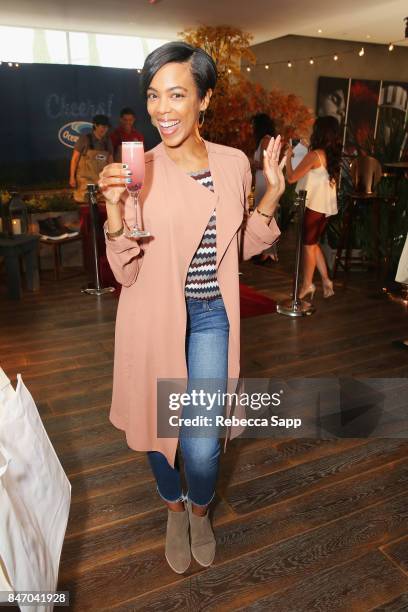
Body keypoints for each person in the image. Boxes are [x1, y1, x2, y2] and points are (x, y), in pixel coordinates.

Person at [97, 41, 285, 574]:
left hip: (209, 316)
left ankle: (199, 509)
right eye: (154, 95)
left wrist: (271, 192)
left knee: (202, 446)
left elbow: (242, 245)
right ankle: (173, 509)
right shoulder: (140, 170)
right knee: (159, 434)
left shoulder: (231, 165)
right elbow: (126, 270)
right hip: (153, 318)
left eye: (176, 94)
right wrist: (114, 212)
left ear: (204, 99)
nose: (161, 109)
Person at [285, 116, 342, 300]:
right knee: (314, 244)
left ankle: (307, 285)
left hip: (314, 208)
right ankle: (326, 281)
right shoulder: (330, 155)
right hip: (324, 210)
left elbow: (292, 178)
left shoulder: (314, 155)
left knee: (308, 246)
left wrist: (288, 157)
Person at [251, 113, 279, 264]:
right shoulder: (266, 140)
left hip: (264, 181)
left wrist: (251, 162)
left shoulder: (265, 140)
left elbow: (265, 164)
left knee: (264, 215)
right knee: (263, 215)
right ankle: (265, 251)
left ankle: (267, 253)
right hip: (262, 180)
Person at [69, 114, 113, 203]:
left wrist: (111, 178)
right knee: (90, 199)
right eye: (103, 126)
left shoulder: (107, 142)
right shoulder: (84, 139)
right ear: (95, 126)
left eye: (106, 127)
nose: (105, 129)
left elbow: (110, 162)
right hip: (85, 182)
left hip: (100, 182)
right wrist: (72, 177)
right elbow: (74, 159)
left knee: (106, 201)